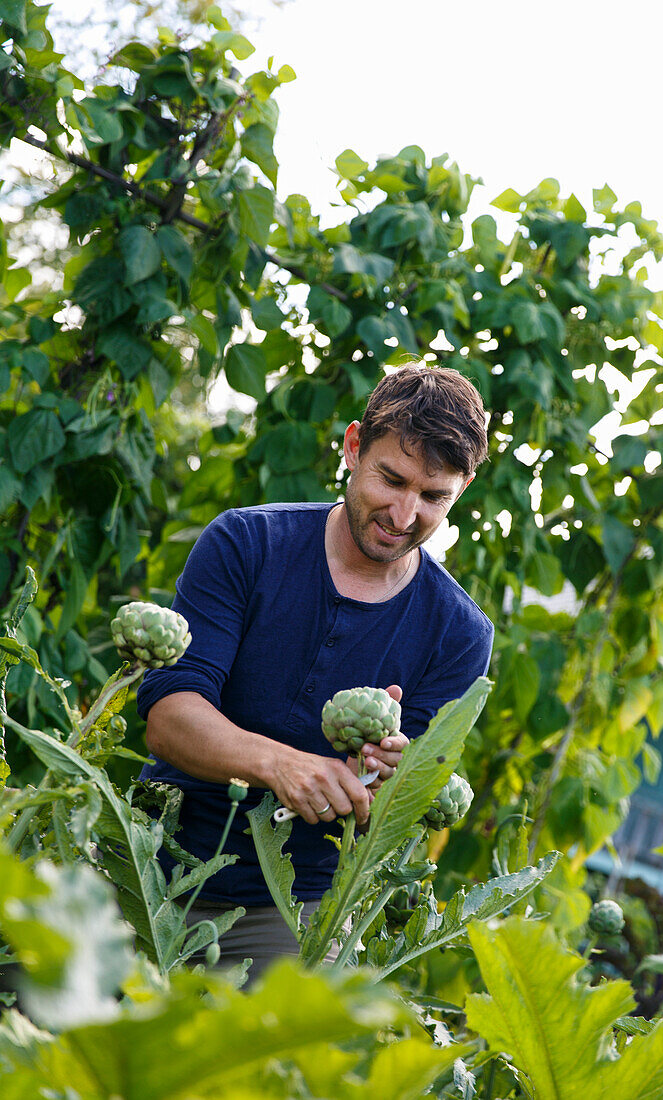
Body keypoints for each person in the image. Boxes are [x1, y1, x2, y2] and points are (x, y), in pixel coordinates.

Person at [137, 362, 494, 978]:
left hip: (299, 907)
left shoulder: (460, 633)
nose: (404, 515)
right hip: (156, 866)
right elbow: (169, 718)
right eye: (392, 478)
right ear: (354, 447)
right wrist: (283, 765)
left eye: (433, 497)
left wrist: (390, 777)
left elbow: (402, 805)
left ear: (458, 493)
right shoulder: (247, 545)